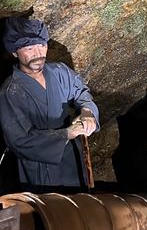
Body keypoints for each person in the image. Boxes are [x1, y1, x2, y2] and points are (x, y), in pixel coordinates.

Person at [0, 17, 99, 188]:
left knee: (81, 202)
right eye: (29, 48)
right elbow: (19, 141)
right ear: (15, 52)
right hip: (39, 167)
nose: (38, 53)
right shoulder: (10, 91)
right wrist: (66, 134)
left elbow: (82, 93)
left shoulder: (59, 72)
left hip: (73, 159)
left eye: (42, 45)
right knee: (51, 205)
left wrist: (87, 111)